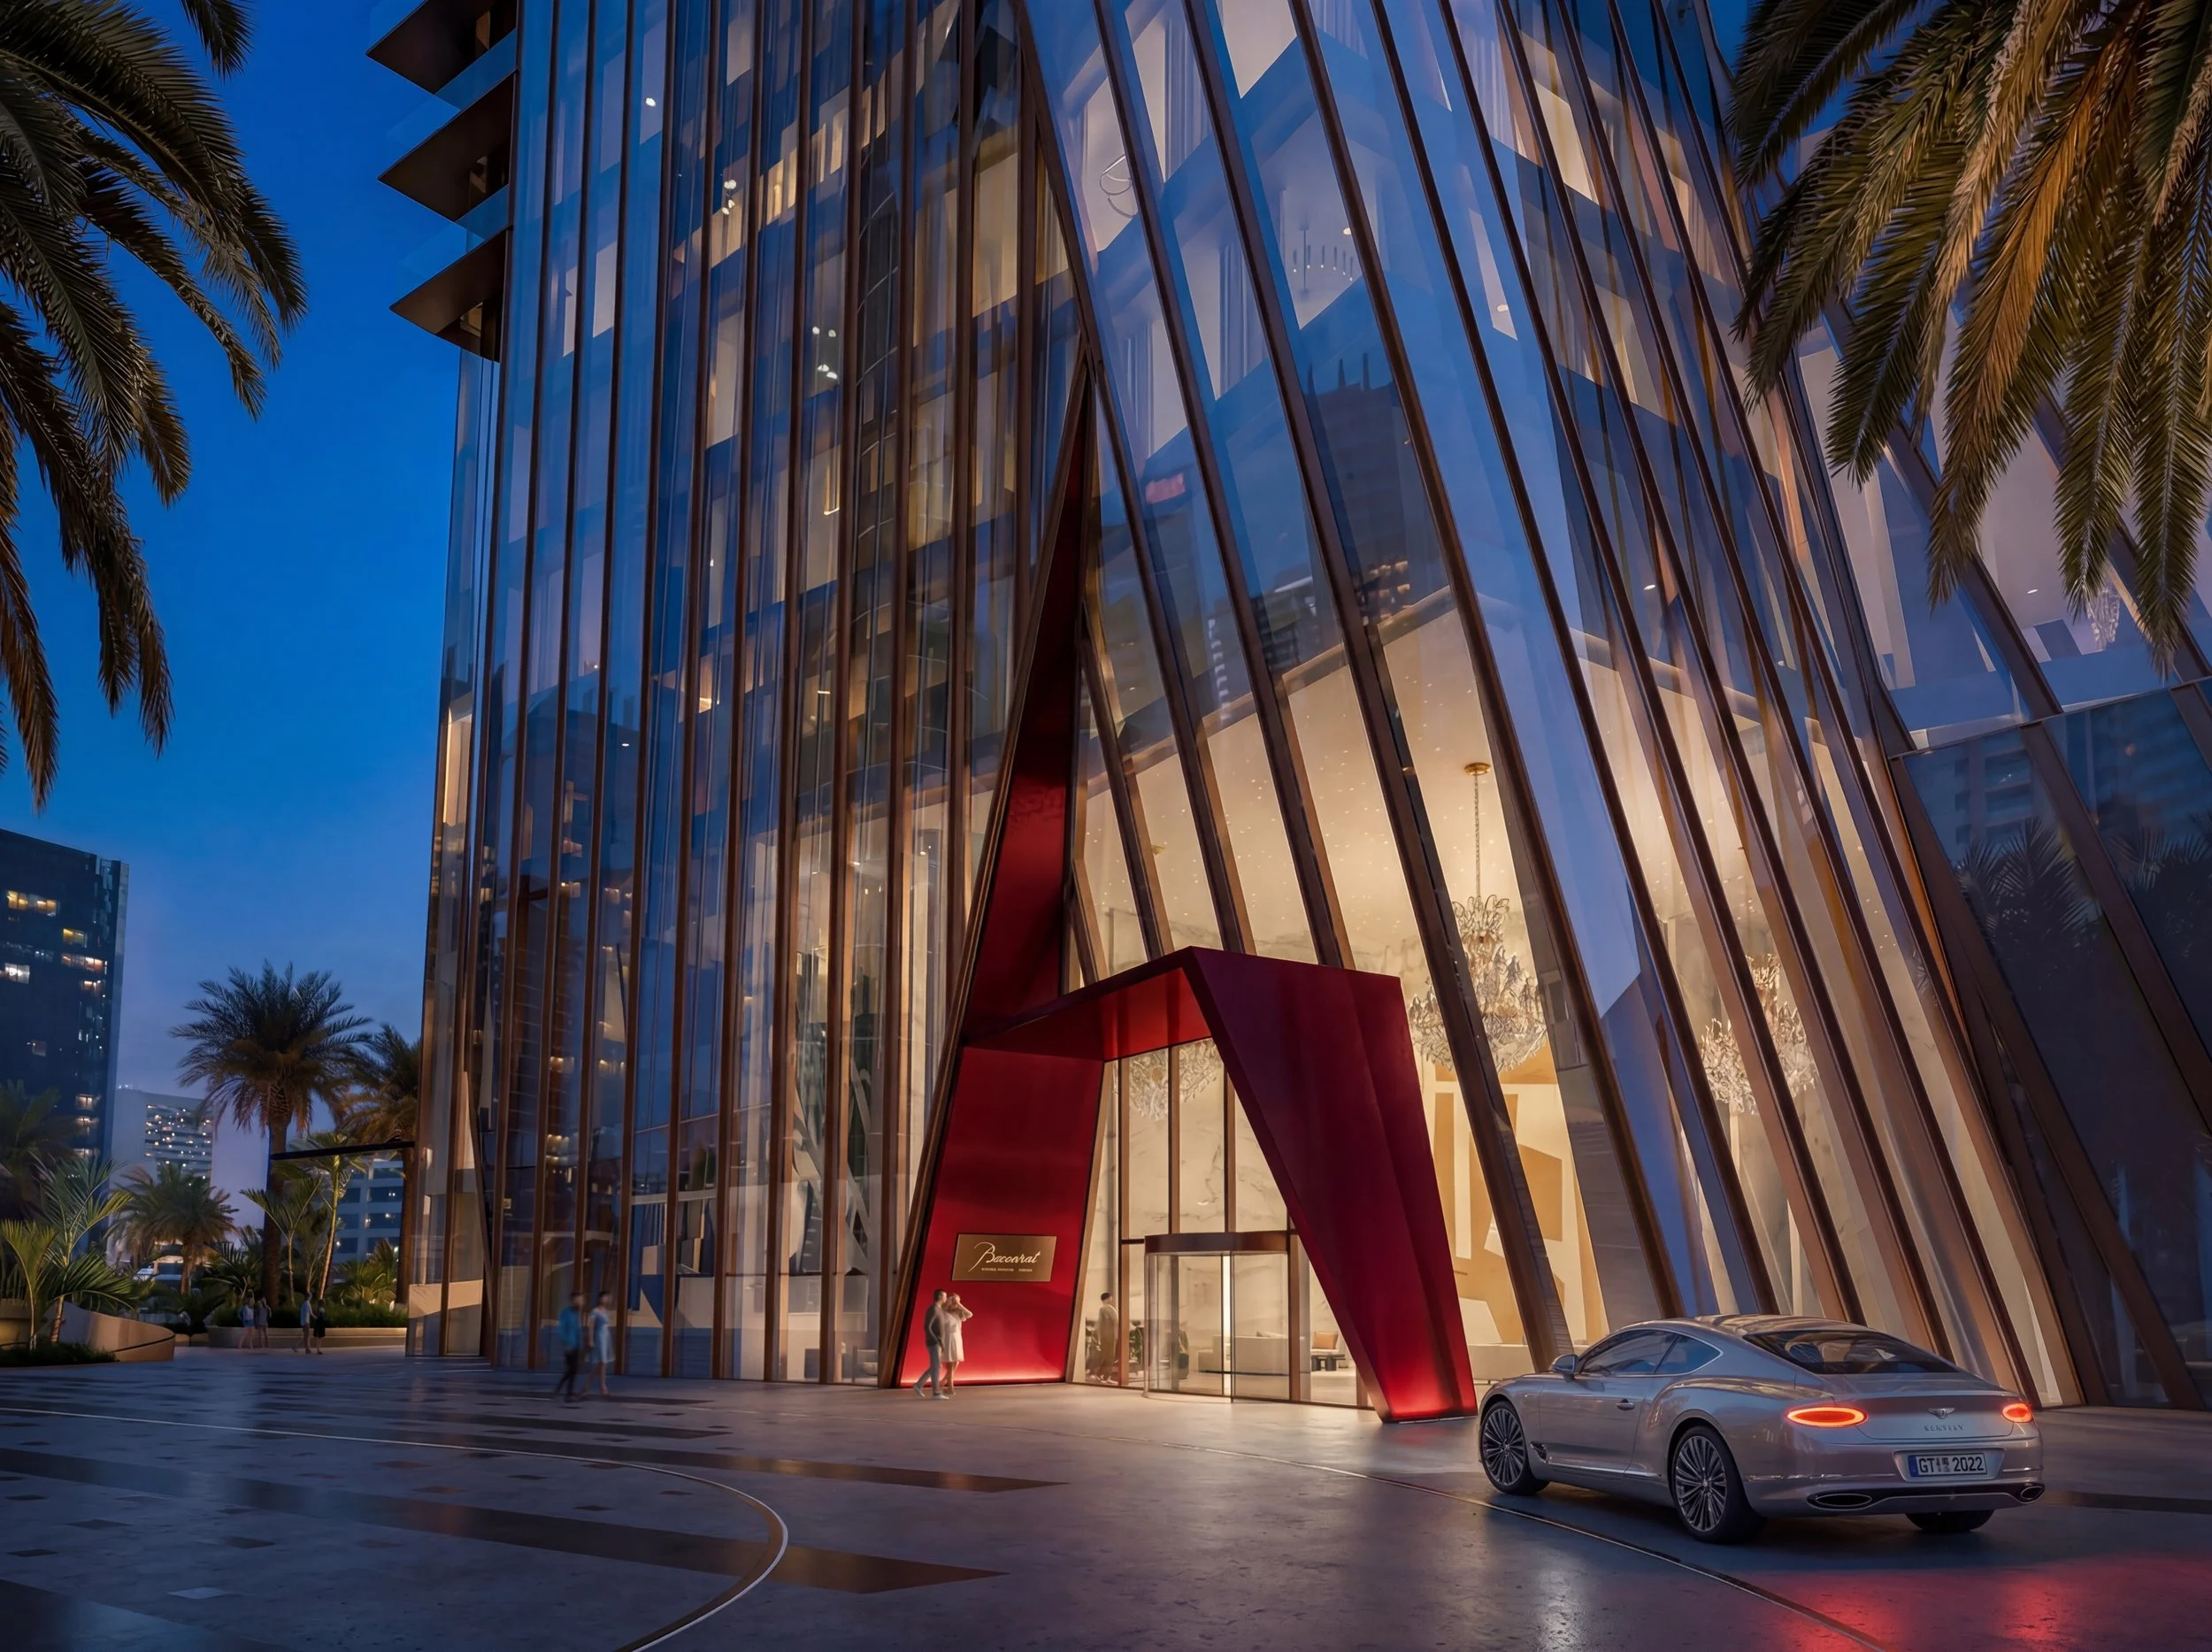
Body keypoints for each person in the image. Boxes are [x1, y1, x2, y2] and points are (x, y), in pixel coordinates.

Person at [913, 1288, 949, 1399]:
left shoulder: (939, 1309)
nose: (946, 1298)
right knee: (936, 1367)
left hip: (938, 1342)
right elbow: (927, 1326)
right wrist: (936, 1340)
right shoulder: (933, 1309)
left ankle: (919, 1385)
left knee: (935, 1366)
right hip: (934, 1343)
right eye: (945, 1296)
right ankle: (936, 1392)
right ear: (940, 1297)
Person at [554, 1293, 586, 1403]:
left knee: (573, 1370)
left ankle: (561, 1387)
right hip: (569, 1346)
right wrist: (566, 1344)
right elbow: (561, 1330)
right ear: (573, 1300)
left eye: (582, 1300)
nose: (581, 1302)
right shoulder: (566, 1313)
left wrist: (581, 1345)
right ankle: (568, 1393)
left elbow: (578, 1331)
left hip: (576, 1346)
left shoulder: (577, 1314)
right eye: (579, 1300)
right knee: (572, 1369)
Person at [940, 1293, 974, 1394]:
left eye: (957, 1302)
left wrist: (959, 1304)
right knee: (950, 1364)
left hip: (957, 1338)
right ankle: (951, 1388)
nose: (955, 1304)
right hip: (948, 1338)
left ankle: (944, 1381)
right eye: (953, 1302)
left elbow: (970, 1314)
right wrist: (950, 1303)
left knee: (956, 1361)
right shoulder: (943, 1312)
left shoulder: (958, 1313)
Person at [588, 1292, 615, 1399]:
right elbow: (591, 1326)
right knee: (602, 1361)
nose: (606, 1300)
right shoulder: (595, 1311)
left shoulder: (607, 1311)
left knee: (603, 1363)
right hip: (599, 1337)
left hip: (606, 1336)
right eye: (604, 1298)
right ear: (600, 1298)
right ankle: (603, 1387)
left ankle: (588, 1383)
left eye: (607, 1298)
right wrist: (590, 1340)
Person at [1091, 1293, 1120, 1383]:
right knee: (1109, 1357)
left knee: (1111, 1357)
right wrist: (1101, 1338)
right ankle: (1102, 1375)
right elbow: (1102, 1325)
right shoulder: (1104, 1309)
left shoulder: (1111, 1309)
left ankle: (1105, 1376)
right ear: (1108, 1298)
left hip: (1113, 1336)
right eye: (1111, 1297)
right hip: (1108, 1337)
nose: (1112, 1298)